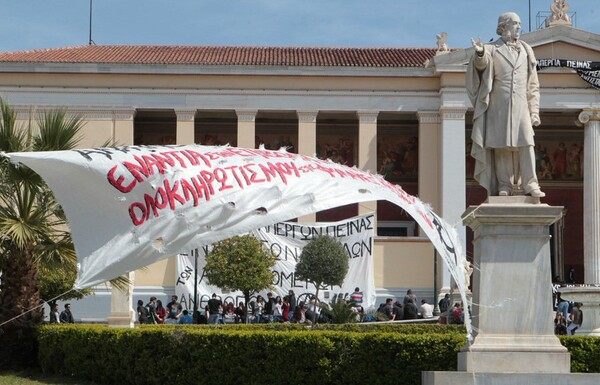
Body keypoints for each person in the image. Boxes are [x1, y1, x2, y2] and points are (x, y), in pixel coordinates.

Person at [467, 12, 545, 198]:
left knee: (527, 144)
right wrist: (479, 53)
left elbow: (533, 85)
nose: (519, 27)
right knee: (501, 146)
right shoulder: (492, 49)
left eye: (519, 24)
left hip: (521, 106)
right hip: (498, 105)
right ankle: (505, 185)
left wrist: (534, 111)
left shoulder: (527, 50)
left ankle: (531, 183)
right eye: (515, 23)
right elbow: (482, 64)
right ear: (504, 26)